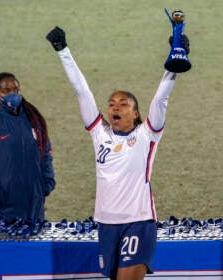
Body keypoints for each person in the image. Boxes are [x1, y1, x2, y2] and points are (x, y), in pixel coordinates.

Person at [46, 26, 189, 280]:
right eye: (112, 104)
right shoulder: (99, 133)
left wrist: (173, 64)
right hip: (106, 223)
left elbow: (160, 99)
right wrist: (63, 50)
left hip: (139, 221)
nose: (116, 107)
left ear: (135, 113)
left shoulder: (147, 134)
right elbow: (82, 91)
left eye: (124, 104)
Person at [0, 72, 56, 224]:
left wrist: (45, 185)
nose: (13, 94)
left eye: (15, 89)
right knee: (5, 246)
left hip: (34, 201)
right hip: (3, 204)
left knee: (33, 244)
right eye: (6, 91)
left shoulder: (33, 118)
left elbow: (46, 152)